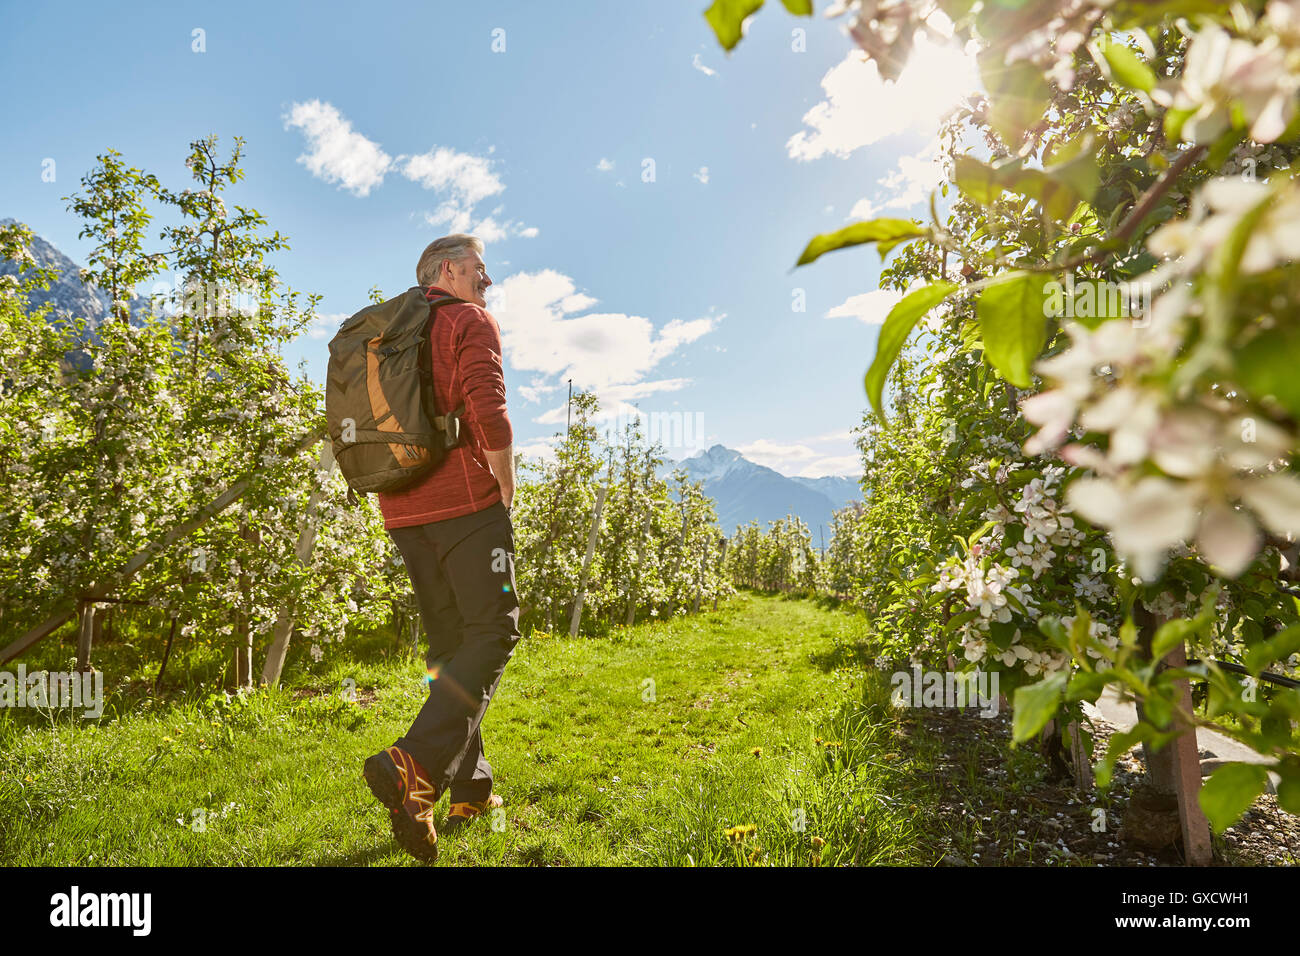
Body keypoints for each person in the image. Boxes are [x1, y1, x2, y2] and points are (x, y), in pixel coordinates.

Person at [362, 233, 519, 862]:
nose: (488, 280)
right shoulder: (467, 320)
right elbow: (489, 405)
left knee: (451, 645)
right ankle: (414, 763)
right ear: (446, 271)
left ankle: (467, 791)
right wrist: (503, 484)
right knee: (496, 631)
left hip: (402, 509)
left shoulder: (387, 333)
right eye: (480, 269)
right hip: (465, 503)